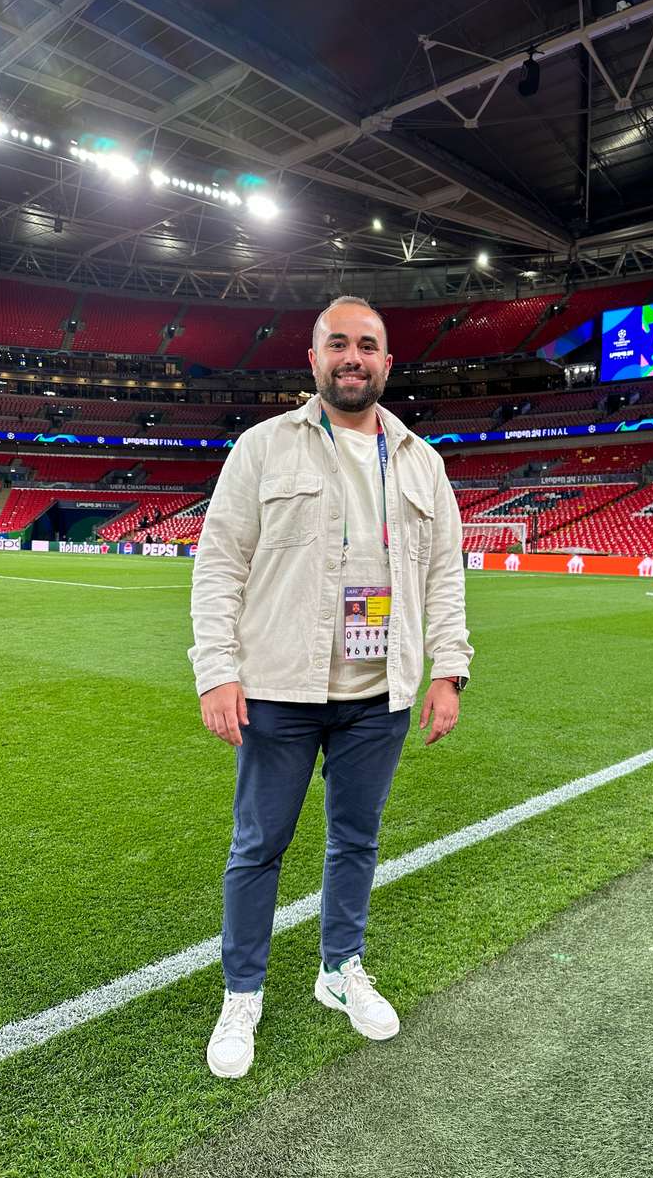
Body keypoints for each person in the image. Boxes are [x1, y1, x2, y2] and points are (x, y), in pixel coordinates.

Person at [188, 295, 473, 1080]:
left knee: (356, 839)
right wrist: (217, 668)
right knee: (258, 847)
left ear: (388, 362)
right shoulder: (262, 447)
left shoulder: (422, 461)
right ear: (313, 360)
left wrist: (447, 673)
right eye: (338, 344)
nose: (353, 357)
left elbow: (446, 575)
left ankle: (338, 969)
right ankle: (242, 992)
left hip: (380, 692)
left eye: (368, 345)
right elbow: (219, 562)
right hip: (279, 684)